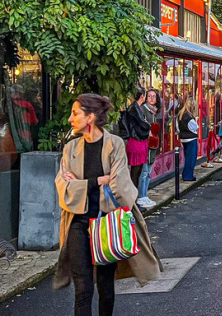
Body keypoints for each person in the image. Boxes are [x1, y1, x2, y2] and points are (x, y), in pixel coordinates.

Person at [55, 93, 161, 316]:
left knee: (105, 284)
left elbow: (120, 188)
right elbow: (63, 189)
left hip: (106, 222)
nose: (70, 119)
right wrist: (97, 182)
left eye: (75, 114)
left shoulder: (114, 144)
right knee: (82, 287)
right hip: (77, 222)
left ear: (90, 117)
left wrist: (81, 185)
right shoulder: (70, 149)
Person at [125, 87, 151, 198]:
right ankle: (133, 199)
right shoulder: (134, 108)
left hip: (138, 141)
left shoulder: (136, 108)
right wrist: (148, 125)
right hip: (136, 141)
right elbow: (143, 124)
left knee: (137, 172)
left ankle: (134, 198)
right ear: (142, 96)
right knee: (135, 173)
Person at [139, 88, 162, 209]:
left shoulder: (155, 112)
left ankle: (144, 194)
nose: (152, 98)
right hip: (145, 144)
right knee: (144, 172)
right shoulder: (144, 110)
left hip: (153, 144)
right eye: (149, 96)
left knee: (148, 172)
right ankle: (141, 196)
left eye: (154, 96)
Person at [178, 98, 199, 181]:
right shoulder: (189, 116)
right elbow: (194, 127)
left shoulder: (181, 114)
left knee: (187, 157)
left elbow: (177, 127)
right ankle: (188, 175)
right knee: (191, 158)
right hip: (191, 138)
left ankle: (186, 174)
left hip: (183, 138)